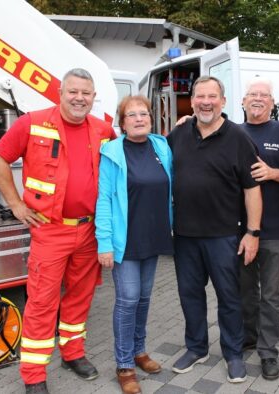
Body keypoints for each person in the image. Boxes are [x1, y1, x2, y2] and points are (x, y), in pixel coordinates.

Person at [0, 68, 116, 394]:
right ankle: (33, 376)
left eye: (86, 93)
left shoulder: (103, 129)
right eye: (73, 91)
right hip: (50, 230)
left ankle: (72, 353)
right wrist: (16, 204)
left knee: (80, 298)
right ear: (60, 93)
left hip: (89, 231)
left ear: (93, 96)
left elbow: (123, 162)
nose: (79, 98)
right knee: (42, 303)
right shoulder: (31, 123)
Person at [166, 75, 262, 383]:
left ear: (223, 101)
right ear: (192, 101)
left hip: (224, 236)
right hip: (184, 236)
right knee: (190, 295)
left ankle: (233, 353)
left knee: (229, 297)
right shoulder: (178, 134)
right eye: (200, 97)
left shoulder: (238, 138)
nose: (206, 102)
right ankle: (196, 348)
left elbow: (252, 190)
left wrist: (253, 233)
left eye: (212, 96)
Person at [95, 96, 173, 394]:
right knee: (127, 300)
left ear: (150, 119)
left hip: (153, 234)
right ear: (122, 121)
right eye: (132, 115)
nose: (139, 119)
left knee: (143, 298)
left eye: (144, 114)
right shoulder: (112, 152)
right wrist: (104, 243)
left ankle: (140, 351)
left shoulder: (161, 146)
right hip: (123, 240)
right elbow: (103, 200)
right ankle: (124, 365)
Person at [238, 77, 279, 381]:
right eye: (252, 94)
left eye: (264, 95)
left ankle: (268, 352)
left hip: (274, 229)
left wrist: (272, 173)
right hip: (240, 229)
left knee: (270, 294)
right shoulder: (232, 132)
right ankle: (248, 336)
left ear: (272, 103)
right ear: (243, 101)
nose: (258, 99)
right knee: (245, 290)